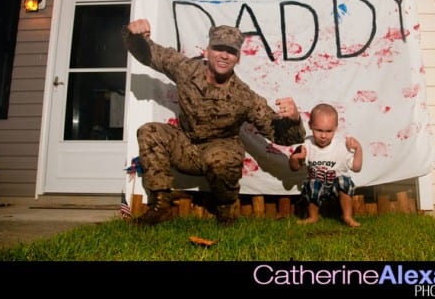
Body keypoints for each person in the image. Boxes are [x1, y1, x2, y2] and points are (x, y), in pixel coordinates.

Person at [123, 19, 306, 225]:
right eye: (218, 48)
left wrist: (294, 119)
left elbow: (278, 134)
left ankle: (224, 209)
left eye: (231, 51)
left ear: (238, 58)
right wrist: (133, 34)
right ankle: (160, 205)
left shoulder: (244, 96)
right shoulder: (186, 69)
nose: (224, 55)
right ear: (208, 50)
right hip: (186, 146)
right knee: (149, 131)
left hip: (221, 150)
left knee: (218, 158)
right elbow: (149, 54)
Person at [288, 103, 363, 227]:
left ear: (336, 128)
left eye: (329, 131)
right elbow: (294, 168)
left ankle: (347, 216)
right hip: (316, 188)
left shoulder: (341, 146)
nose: (323, 136)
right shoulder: (307, 144)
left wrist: (358, 149)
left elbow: (356, 168)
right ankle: (313, 217)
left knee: (344, 181)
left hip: (336, 188)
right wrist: (295, 158)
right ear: (310, 125)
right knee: (312, 182)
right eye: (319, 130)